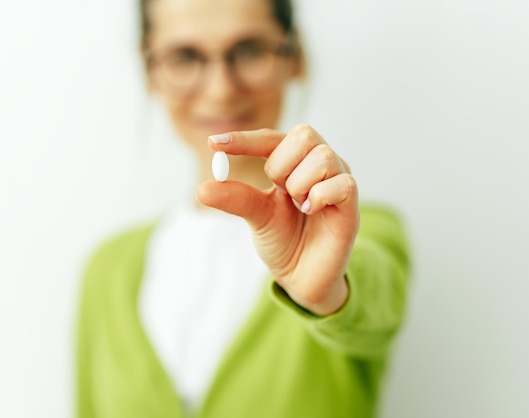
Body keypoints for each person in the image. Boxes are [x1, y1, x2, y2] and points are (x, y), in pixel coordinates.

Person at [75, 0, 411, 417]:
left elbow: (374, 309)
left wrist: (329, 293)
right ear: (149, 70)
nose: (220, 89)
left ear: (296, 57)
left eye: (249, 50)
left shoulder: (358, 231)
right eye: (184, 56)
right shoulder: (106, 270)